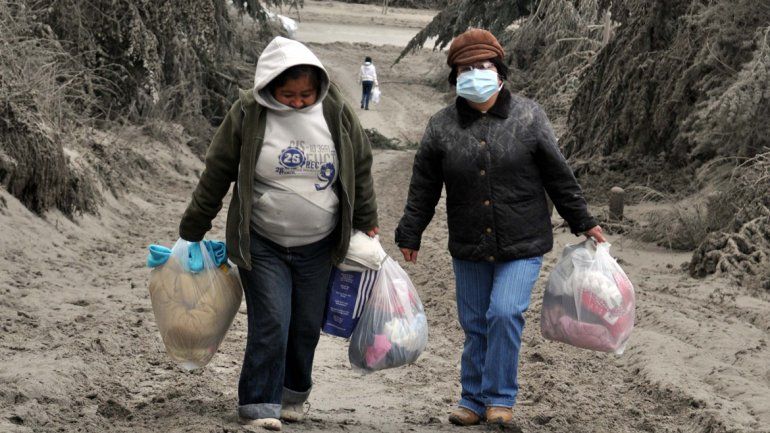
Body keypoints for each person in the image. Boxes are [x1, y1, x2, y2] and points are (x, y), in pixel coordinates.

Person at [394, 28, 605, 427]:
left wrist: (584, 221)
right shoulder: (441, 126)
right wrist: (411, 231)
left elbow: (558, 175)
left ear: (499, 70)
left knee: (505, 313)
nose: (475, 73)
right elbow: (423, 184)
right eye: (465, 68)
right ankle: (472, 400)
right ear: (454, 76)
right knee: (475, 325)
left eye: (483, 65)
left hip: (522, 242)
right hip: (469, 241)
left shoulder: (529, 116)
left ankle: (501, 400)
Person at [178, 36, 379, 431]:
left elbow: (360, 164)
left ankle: (292, 394)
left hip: (320, 244)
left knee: (305, 325)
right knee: (272, 321)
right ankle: (257, 406)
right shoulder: (248, 112)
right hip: (262, 241)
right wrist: (193, 228)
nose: (300, 102)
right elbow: (218, 170)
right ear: (270, 86)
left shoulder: (335, 109)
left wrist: (366, 220)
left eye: (306, 94)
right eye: (289, 95)